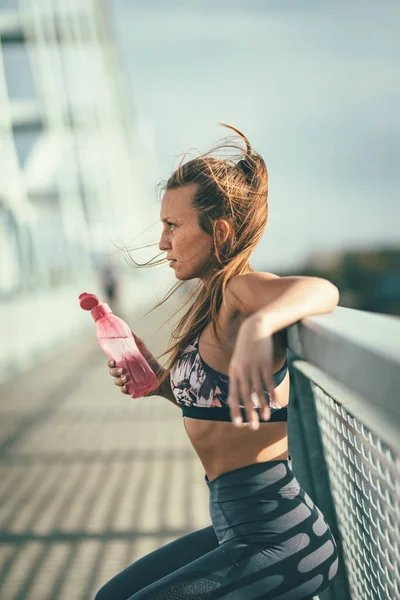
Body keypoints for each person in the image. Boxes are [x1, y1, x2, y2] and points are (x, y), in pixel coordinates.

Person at [95, 124, 340, 600]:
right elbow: (220, 406)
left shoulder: (237, 292)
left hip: (281, 542)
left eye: (173, 226)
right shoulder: (211, 303)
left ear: (219, 230)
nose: (162, 243)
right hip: (238, 530)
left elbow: (320, 290)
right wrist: (162, 383)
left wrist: (257, 326)